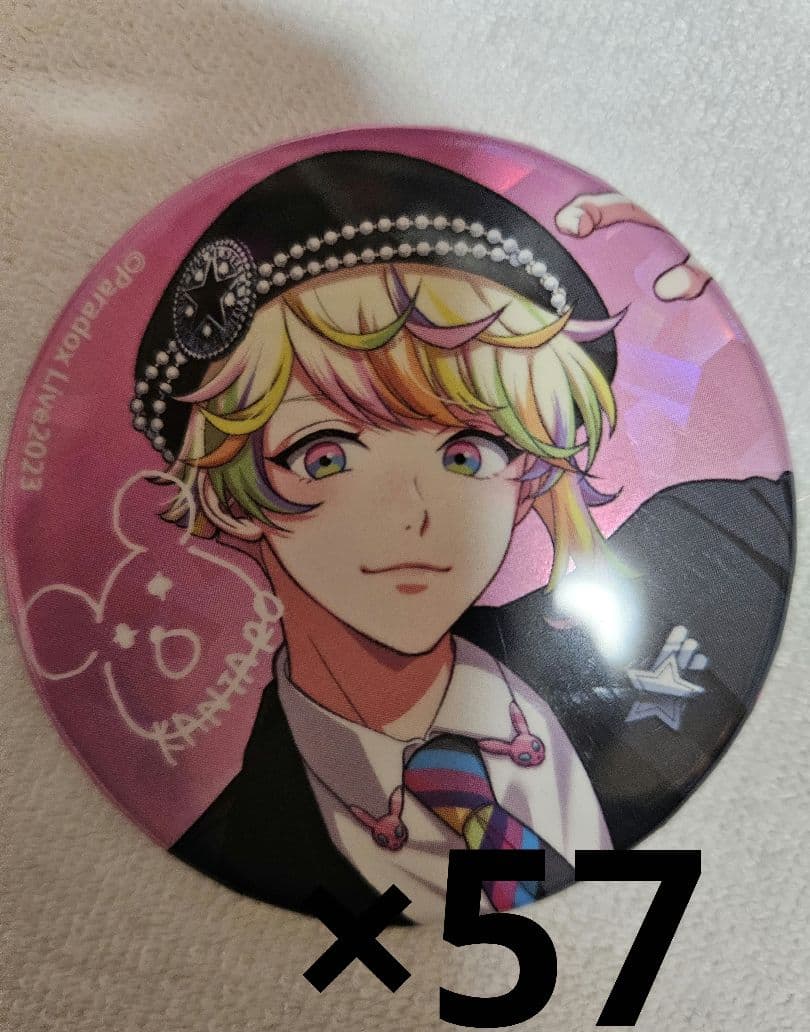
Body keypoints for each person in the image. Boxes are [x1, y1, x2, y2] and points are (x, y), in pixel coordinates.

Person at [130, 150, 793, 923]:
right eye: (325, 456)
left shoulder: (720, 548)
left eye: (468, 454)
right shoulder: (227, 853)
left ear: (531, 474)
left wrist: (764, 291)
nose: (413, 513)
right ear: (230, 493)